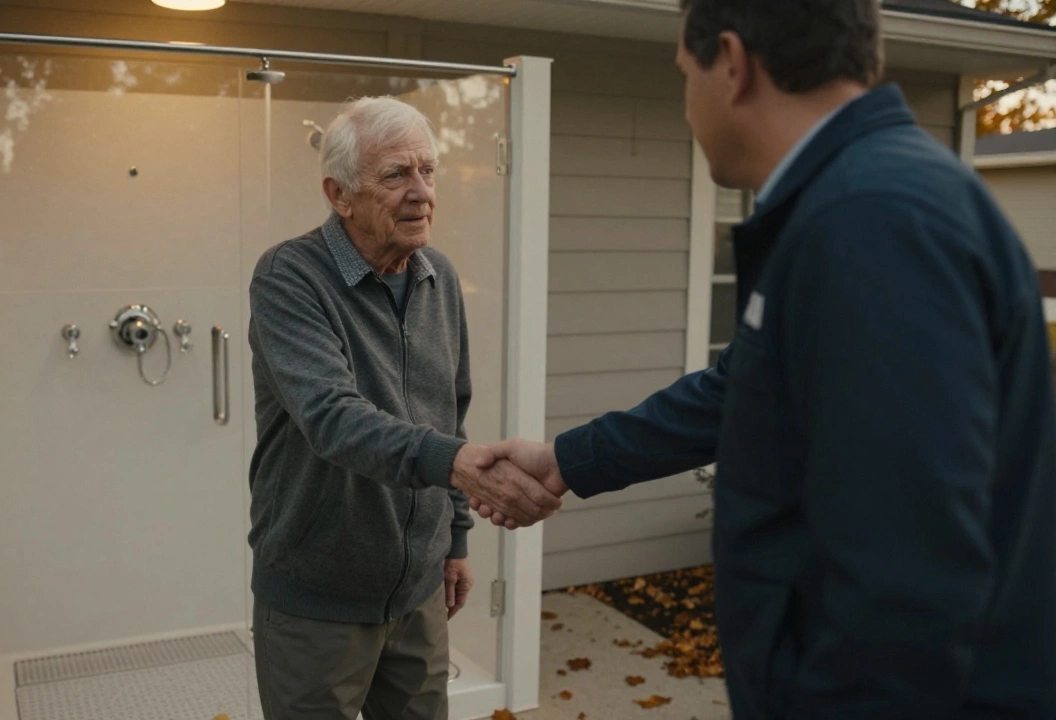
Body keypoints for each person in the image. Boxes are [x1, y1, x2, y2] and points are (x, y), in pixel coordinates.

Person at [472, 0, 1056, 717]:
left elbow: (907, 574)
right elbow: (739, 389)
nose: (687, 107)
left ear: (732, 62)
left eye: (685, 75)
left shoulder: (871, 221)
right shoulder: (853, 201)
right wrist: (568, 459)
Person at [246, 96, 561, 720]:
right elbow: (333, 417)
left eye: (428, 170)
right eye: (396, 175)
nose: (422, 192)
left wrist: (455, 540)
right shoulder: (289, 276)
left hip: (418, 591)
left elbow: (449, 414)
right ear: (340, 194)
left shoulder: (436, 275)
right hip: (318, 595)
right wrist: (460, 466)